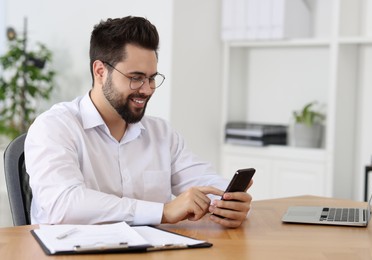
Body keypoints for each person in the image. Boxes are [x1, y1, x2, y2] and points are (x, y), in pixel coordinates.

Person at [24, 15, 252, 228]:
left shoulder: (161, 133)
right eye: (136, 78)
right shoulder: (54, 127)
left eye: (152, 78)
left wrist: (227, 201)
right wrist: (163, 211)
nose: (147, 89)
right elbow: (62, 204)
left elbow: (204, 181)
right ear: (100, 71)